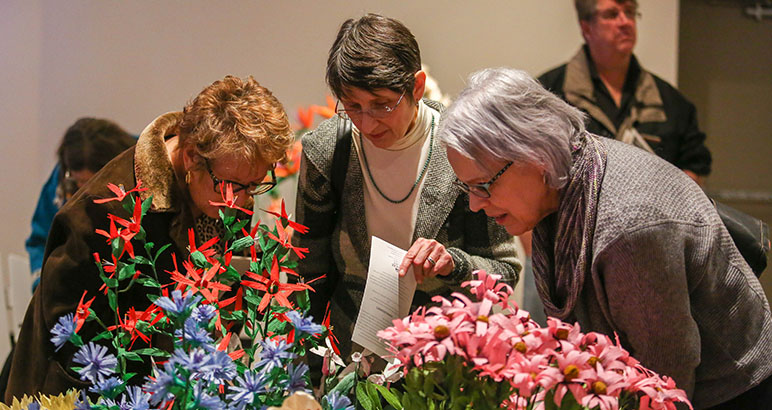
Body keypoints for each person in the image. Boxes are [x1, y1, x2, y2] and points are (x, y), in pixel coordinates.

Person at [439, 66, 772, 409]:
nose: (476, 204)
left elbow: (666, 382)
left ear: (534, 155)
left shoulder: (628, 231)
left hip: (729, 393)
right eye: (465, 187)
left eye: (482, 185)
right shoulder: (568, 171)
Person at [5, 75, 292, 400]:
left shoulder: (227, 182)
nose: (240, 202)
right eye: (233, 187)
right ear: (191, 158)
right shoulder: (105, 210)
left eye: (254, 185)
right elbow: (73, 344)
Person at [293, 14, 520, 362]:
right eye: (352, 106)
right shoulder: (327, 151)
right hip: (353, 356)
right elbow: (309, 272)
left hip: (444, 356)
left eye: (382, 105)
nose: (367, 123)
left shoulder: (462, 150)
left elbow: (504, 274)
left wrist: (452, 264)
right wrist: (306, 369)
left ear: (416, 86)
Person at [538, 0, 711, 185]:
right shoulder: (548, 95)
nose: (625, 22)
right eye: (612, 14)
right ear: (586, 28)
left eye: (629, 12)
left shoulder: (672, 102)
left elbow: (694, 166)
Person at [25, 118, 136, 289]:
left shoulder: (141, 162)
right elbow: (40, 241)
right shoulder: (61, 179)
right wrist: (43, 284)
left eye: (93, 182)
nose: (86, 191)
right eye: (79, 182)